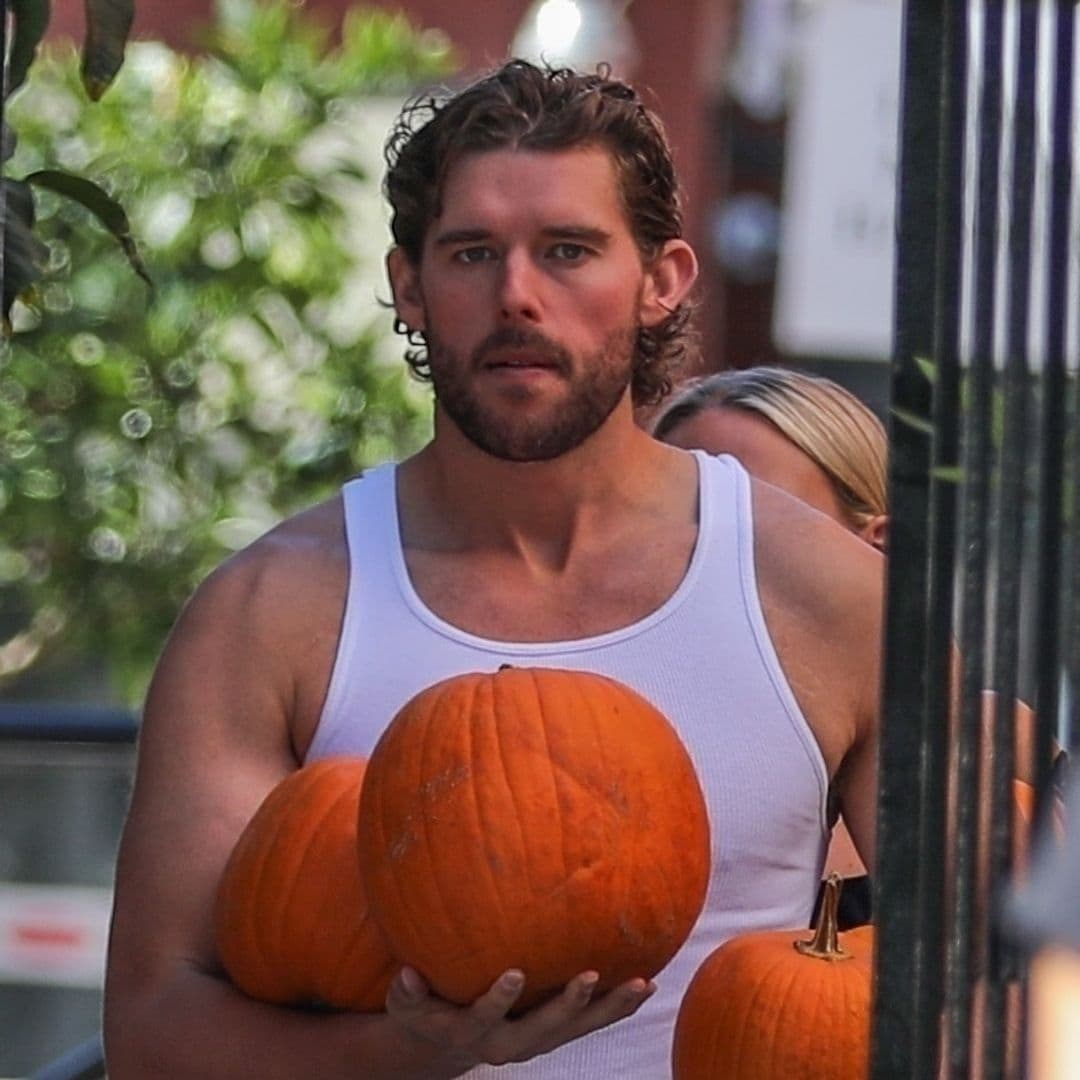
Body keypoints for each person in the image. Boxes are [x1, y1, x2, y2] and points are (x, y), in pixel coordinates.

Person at [103, 60, 884, 1078]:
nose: (518, 296)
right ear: (409, 286)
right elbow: (154, 1033)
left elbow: (990, 980)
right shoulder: (273, 611)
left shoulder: (818, 590)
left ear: (661, 280)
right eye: (473, 252)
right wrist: (399, 1050)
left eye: (568, 250)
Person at [651, 366, 888, 927]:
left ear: (876, 550)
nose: (710, 554)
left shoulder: (974, 757)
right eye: (677, 519)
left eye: (765, 522)